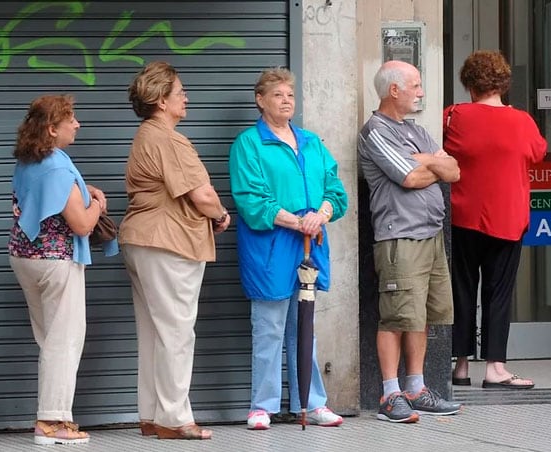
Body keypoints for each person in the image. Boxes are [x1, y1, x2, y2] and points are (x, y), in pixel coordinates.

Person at [229, 67, 348, 430]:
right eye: (277, 95)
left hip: (310, 244)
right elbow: (251, 200)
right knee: (268, 326)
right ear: (260, 100)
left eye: (290, 95)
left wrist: (321, 214)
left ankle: (311, 403)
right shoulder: (249, 144)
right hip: (271, 245)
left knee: (306, 325)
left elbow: (335, 190)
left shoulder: (312, 141)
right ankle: (261, 406)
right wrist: (299, 221)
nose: (286, 101)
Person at [119, 61, 230, 440]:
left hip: (141, 240)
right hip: (168, 242)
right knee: (177, 332)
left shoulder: (144, 135)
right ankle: (174, 417)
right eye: (179, 91)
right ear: (161, 100)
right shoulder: (168, 139)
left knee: (153, 332)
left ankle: (152, 414)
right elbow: (202, 195)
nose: (186, 97)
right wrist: (220, 214)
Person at [358, 60, 463, 423]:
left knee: (420, 316)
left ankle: (416, 389)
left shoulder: (416, 130)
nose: (421, 92)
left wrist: (427, 162)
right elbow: (409, 178)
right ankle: (390, 395)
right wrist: (429, 164)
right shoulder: (375, 131)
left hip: (430, 236)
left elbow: (454, 170)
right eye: (416, 86)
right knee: (395, 316)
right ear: (394, 90)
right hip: (399, 237)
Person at [8, 94, 110, 445]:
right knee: (64, 341)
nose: (77, 124)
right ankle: (53, 422)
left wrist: (84, 188)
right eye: (71, 119)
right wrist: (96, 204)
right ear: (52, 129)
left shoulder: (29, 160)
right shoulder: (57, 164)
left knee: (50, 339)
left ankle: (51, 417)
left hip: (25, 257)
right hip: (55, 261)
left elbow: (52, 194)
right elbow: (81, 224)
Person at [443, 50, 547, 389]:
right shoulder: (523, 122)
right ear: (502, 84)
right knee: (498, 292)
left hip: (463, 215)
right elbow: (537, 153)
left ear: (470, 85)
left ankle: (460, 366)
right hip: (508, 218)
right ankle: (495, 367)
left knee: (461, 289)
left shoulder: (453, 117)